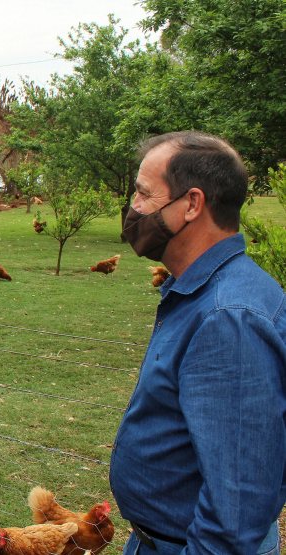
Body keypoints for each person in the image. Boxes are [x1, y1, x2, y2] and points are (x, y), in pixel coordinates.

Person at [110, 131, 286, 555]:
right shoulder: (201, 293)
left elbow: (237, 509)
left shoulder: (230, 317)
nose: (133, 208)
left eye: (143, 193)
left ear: (191, 204)